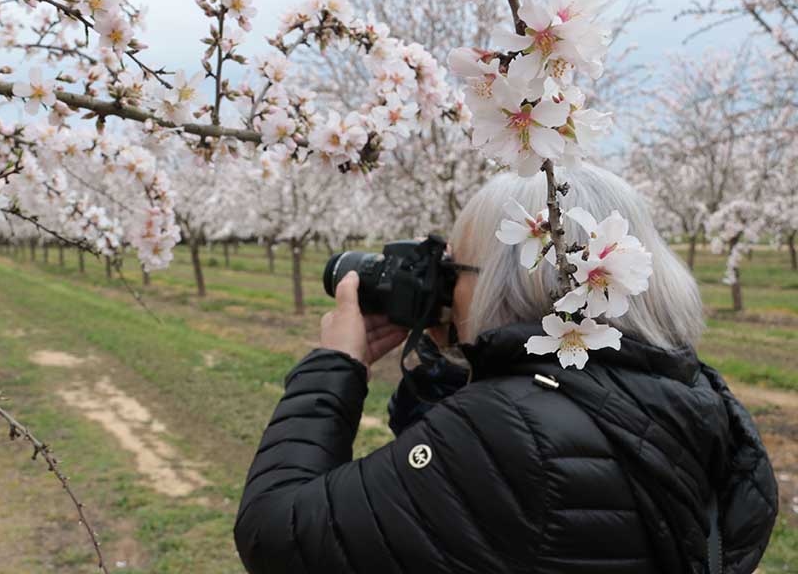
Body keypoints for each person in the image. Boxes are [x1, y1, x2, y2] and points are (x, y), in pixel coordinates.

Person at [233, 164, 778, 574]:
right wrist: (460, 352)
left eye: (457, 269)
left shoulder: (505, 433)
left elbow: (275, 533)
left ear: (508, 280)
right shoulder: (695, 395)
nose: (447, 286)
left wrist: (334, 367)